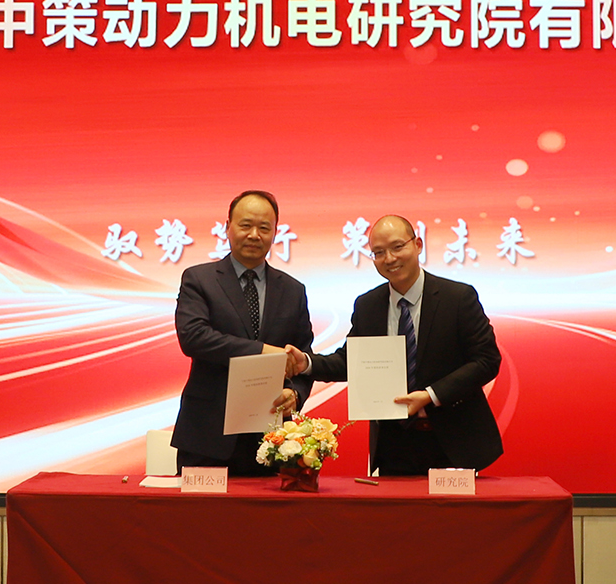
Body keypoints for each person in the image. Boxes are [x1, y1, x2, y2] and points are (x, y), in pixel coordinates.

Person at [286, 215, 502, 476]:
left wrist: (430, 396)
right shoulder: (368, 305)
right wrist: (307, 363)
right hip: (394, 445)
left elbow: (486, 360)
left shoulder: (457, 298)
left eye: (397, 247)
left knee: (452, 505)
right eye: (379, 252)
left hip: (454, 441)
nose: (389, 258)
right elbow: (351, 361)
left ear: (418, 245)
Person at [172, 190, 313, 475]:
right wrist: (263, 352)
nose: (254, 235)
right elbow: (194, 337)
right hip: (207, 435)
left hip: (271, 439)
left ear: (275, 233)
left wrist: (295, 394)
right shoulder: (199, 279)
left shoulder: (293, 290)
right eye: (245, 225)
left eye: (264, 228)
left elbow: (302, 357)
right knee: (199, 507)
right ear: (227, 227)